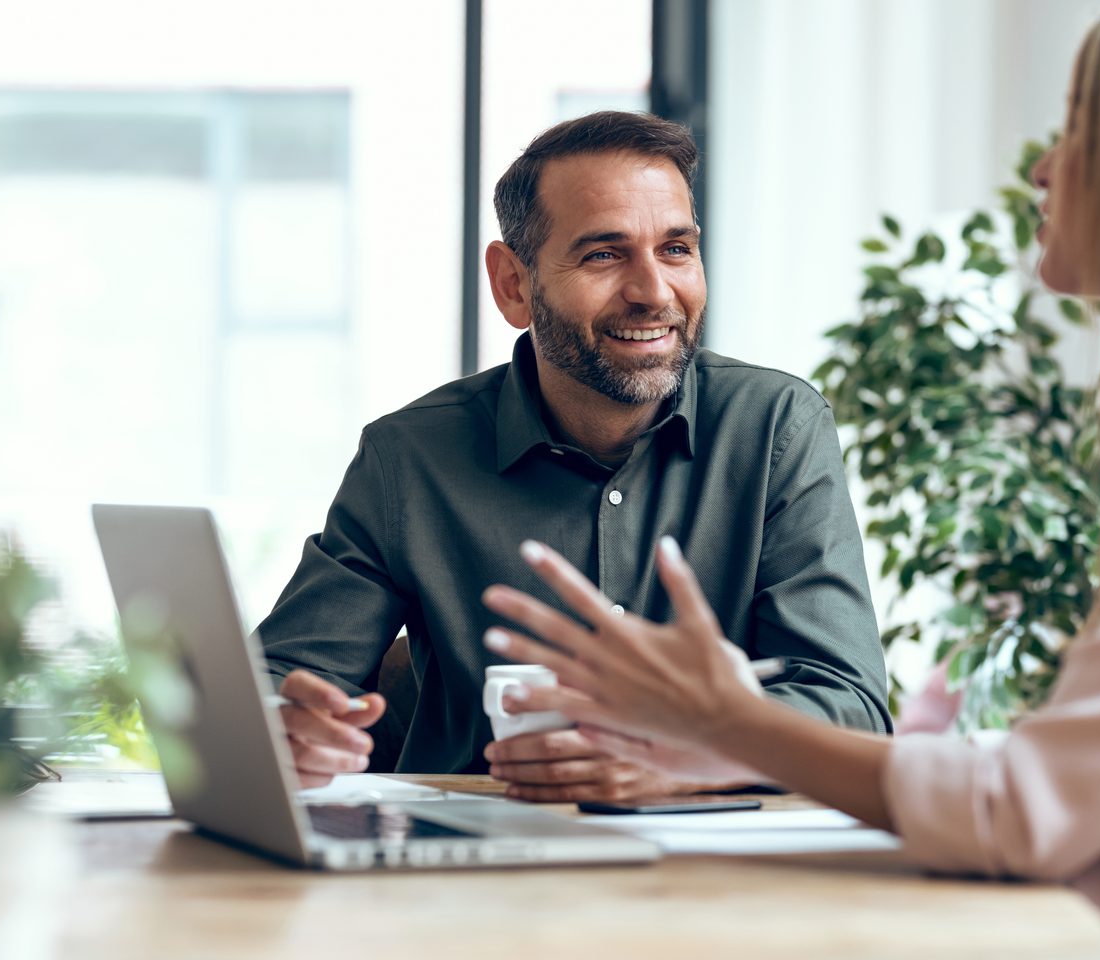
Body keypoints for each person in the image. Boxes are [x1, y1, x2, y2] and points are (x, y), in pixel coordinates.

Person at [479, 1, 1100, 955]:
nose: (1045, 168)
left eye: (1080, 129)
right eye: (605, 253)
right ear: (514, 283)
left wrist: (729, 727)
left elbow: (1030, 804)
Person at [257, 110, 891, 801]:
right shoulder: (408, 457)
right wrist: (289, 731)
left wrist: (691, 755)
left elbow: (851, 706)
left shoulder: (776, 429)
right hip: (470, 861)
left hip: (709, 870)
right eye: (604, 255)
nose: (654, 292)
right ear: (513, 284)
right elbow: (277, 680)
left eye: (676, 250)